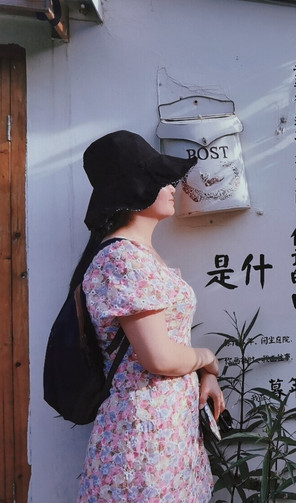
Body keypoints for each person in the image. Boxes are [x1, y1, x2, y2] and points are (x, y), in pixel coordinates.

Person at [73, 130, 225, 502]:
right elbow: (159, 358)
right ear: (136, 188)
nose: (172, 187)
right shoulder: (122, 259)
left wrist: (204, 374)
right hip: (145, 441)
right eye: (161, 180)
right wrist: (207, 357)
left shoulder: (139, 255)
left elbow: (168, 342)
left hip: (167, 432)